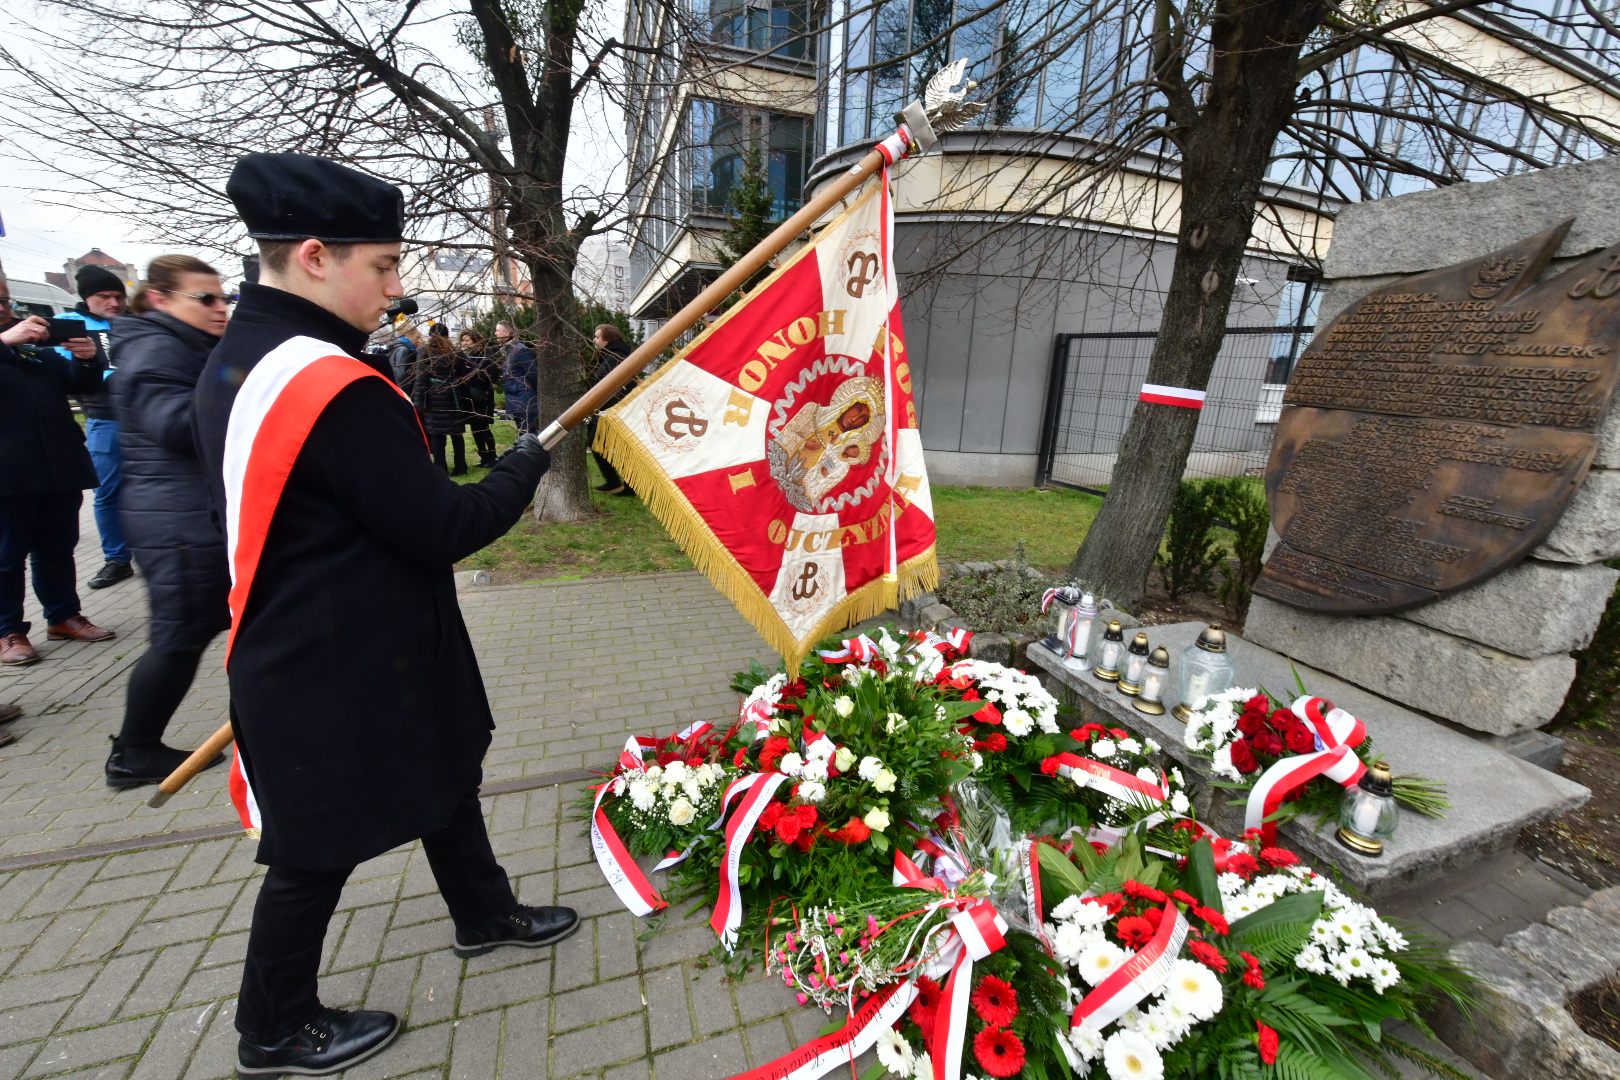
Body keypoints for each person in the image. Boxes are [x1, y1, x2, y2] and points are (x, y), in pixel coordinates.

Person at [193, 152, 576, 1077]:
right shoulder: (331, 386)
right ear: (314, 256)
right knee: (312, 850)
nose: (397, 288)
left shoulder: (241, 358)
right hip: (335, 660)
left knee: (445, 777)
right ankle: (272, 1026)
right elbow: (446, 525)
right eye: (385, 265)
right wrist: (528, 461)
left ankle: (482, 911)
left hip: (346, 641)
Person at [103, 256, 233, 788]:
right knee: (179, 638)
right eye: (205, 299)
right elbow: (176, 425)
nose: (220, 308)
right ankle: (134, 752)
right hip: (178, 523)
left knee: (196, 633)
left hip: (188, 515)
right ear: (159, 298)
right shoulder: (156, 349)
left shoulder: (182, 344)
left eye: (223, 297)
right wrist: (242, 384)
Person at [0, 278, 117, 669]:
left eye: (4, 300)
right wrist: (5, 342)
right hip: (7, 475)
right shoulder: (11, 342)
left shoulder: (34, 347)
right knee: (6, 557)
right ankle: (8, 631)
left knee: (57, 548)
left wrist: (86, 360)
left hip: (56, 466)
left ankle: (63, 616)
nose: (2, 308)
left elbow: (78, 385)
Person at [59, 265, 135, 589]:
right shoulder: (68, 325)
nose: (114, 303)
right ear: (87, 297)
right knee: (107, 492)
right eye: (105, 296)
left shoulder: (136, 322)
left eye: (119, 296)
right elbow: (64, 372)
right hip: (105, 420)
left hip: (146, 417)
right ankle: (117, 559)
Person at [413, 324, 469, 475]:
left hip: (434, 397)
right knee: (456, 433)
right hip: (454, 396)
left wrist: (418, 402)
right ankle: (461, 466)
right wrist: (464, 397)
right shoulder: (456, 352)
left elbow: (420, 378)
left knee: (437, 434)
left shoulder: (425, 352)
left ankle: (440, 468)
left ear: (431, 335)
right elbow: (464, 376)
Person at [589, 323, 636, 495]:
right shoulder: (614, 356)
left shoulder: (615, 358)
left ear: (607, 339)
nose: (594, 340)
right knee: (619, 447)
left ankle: (616, 482)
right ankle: (628, 485)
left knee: (596, 443)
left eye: (597, 337)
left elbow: (607, 386)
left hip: (611, 410)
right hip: (613, 409)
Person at [458, 329, 499, 467]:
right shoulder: (465, 356)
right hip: (470, 397)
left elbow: (492, 375)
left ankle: (492, 456)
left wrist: (474, 373)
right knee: (475, 428)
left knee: (483, 427)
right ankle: (483, 456)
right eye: (463, 340)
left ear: (475, 341)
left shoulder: (485, 355)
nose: (464, 343)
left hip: (483, 396)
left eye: (467, 340)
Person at [496, 319, 539, 434]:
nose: (495, 333)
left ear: (506, 333)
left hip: (524, 398)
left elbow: (532, 373)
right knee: (522, 433)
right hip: (516, 397)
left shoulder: (520, 350)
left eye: (498, 331)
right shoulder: (509, 350)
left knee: (528, 433)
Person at [387, 321, 420, 387]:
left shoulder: (396, 347)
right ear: (409, 335)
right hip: (403, 389)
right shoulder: (404, 350)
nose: (418, 341)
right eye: (417, 337)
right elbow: (401, 376)